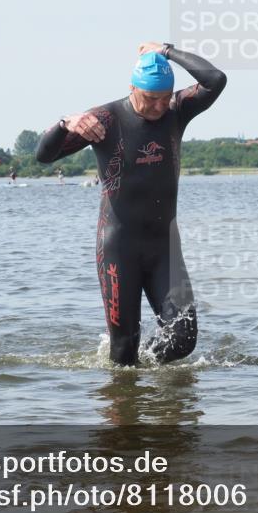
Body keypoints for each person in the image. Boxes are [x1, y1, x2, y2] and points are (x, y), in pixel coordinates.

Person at [36, 41, 227, 366]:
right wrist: (66, 124)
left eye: (164, 98)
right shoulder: (104, 120)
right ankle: (127, 403)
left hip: (163, 248)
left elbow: (215, 79)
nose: (158, 106)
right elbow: (44, 155)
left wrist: (167, 50)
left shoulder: (177, 110)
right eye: (150, 98)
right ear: (132, 89)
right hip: (118, 249)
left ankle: (150, 386)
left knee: (184, 337)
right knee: (124, 350)